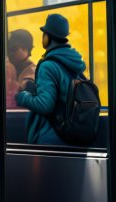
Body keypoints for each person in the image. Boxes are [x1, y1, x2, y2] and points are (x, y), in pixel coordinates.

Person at [15, 13, 86, 144]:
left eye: (43, 34)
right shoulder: (73, 63)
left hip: (50, 137)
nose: (42, 38)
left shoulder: (48, 65)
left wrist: (22, 96)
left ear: (48, 37)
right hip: (70, 135)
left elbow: (45, 105)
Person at [6, 28, 36, 106]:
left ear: (26, 49)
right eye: (8, 49)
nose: (10, 53)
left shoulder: (34, 73)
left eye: (14, 49)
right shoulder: (9, 67)